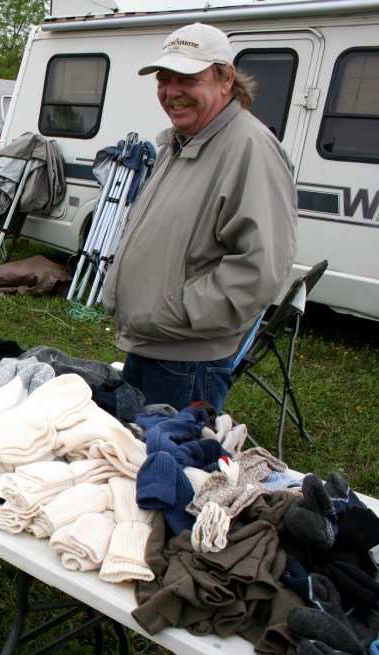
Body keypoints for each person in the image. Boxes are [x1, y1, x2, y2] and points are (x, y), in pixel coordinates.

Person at [101, 22, 297, 413]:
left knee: (170, 464)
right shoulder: (183, 141)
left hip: (188, 359)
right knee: (136, 460)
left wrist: (182, 308)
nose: (172, 91)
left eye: (188, 78)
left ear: (226, 79)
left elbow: (262, 266)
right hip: (152, 342)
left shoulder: (248, 147)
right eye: (164, 78)